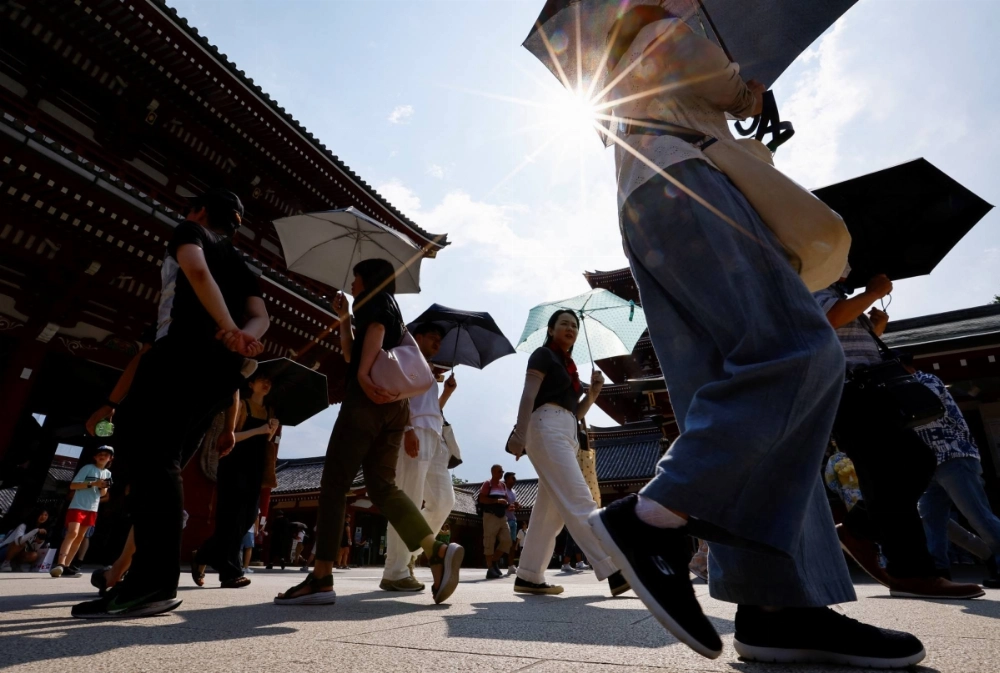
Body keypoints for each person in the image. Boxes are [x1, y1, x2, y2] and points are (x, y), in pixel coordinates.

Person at [585, 5, 926, 666]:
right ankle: (653, 517)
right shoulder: (668, 25)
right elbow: (706, 74)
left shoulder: (621, 71)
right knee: (796, 351)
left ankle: (779, 605)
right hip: (690, 184)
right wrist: (746, 89)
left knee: (741, 387)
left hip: (656, 192)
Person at [72, 188, 269, 619]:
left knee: (149, 461)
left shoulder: (190, 231)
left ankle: (151, 584)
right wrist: (242, 335)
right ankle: (146, 579)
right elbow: (262, 316)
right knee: (166, 464)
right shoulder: (240, 262)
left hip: (178, 356)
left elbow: (195, 272)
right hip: (221, 373)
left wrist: (225, 325)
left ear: (199, 211)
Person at [276, 258, 463, 606]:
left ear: (369, 279)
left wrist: (363, 378)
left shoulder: (375, 303)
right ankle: (434, 550)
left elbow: (369, 345)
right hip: (396, 408)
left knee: (334, 483)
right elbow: (350, 352)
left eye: (355, 278)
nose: (352, 284)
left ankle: (320, 576)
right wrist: (345, 317)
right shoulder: (394, 312)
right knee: (383, 487)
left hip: (367, 401)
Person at [816, 270, 982, 600]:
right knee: (899, 467)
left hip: (864, 394)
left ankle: (861, 530)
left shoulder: (833, 290)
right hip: (852, 395)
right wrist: (873, 293)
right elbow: (829, 320)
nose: (849, 267)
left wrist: (874, 327)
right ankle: (913, 571)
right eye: (844, 261)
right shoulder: (812, 283)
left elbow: (842, 332)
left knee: (908, 465)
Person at [507, 310, 628, 597]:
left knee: (550, 514)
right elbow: (528, 395)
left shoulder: (568, 366)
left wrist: (594, 393)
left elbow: (576, 413)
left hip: (566, 431)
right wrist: (519, 434)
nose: (570, 328)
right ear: (551, 330)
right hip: (545, 427)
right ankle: (614, 568)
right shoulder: (543, 355)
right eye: (564, 324)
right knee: (578, 497)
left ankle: (529, 575)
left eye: (574, 325)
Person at [380, 322, 458, 592]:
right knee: (409, 498)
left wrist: (446, 392)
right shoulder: (406, 357)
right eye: (433, 337)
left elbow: (429, 407)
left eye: (440, 339)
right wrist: (408, 428)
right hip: (414, 433)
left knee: (443, 501)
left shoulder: (428, 370)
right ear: (418, 337)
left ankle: (412, 555)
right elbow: (399, 398)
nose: (438, 343)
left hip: (435, 435)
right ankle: (395, 571)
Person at [909, 362, 1000, 588]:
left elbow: (918, 407)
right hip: (927, 463)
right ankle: (938, 572)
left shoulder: (926, 380)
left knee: (978, 516)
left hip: (953, 456)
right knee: (931, 520)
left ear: (905, 366)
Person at [194, 374, 277, 589]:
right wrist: (259, 430)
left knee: (248, 517)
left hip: (256, 467)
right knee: (230, 517)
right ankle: (231, 573)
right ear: (251, 384)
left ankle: (203, 554)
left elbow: (265, 444)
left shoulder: (270, 412)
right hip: (234, 464)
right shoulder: (240, 405)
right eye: (262, 380)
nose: (266, 383)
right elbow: (230, 436)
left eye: (269, 382)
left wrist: (270, 432)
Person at [52, 446, 113, 578]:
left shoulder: (108, 474)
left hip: (92, 507)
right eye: (100, 454)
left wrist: (103, 487)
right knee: (72, 532)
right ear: (95, 457)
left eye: (106, 454)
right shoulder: (87, 468)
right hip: (78, 505)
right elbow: (73, 485)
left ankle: (67, 566)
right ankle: (60, 564)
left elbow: (103, 494)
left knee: (80, 536)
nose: (102, 456)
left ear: (110, 458)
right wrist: (93, 483)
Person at [478, 464, 514, 580]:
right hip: (490, 516)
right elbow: (482, 499)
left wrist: (510, 506)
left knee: (507, 541)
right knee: (489, 541)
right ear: (493, 472)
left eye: (502, 471)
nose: (502, 473)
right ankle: (490, 568)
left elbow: (506, 501)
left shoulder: (503, 485)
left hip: (502, 516)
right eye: (499, 471)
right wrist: (496, 501)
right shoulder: (487, 484)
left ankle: (494, 562)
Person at [503, 472, 519, 576]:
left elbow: (513, 506)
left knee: (513, 544)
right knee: (505, 543)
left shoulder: (513, 491)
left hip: (513, 519)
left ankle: (511, 565)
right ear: (507, 479)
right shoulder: (502, 490)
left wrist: (517, 505)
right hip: (505, 519)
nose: (515, 480)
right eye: (513, 478)